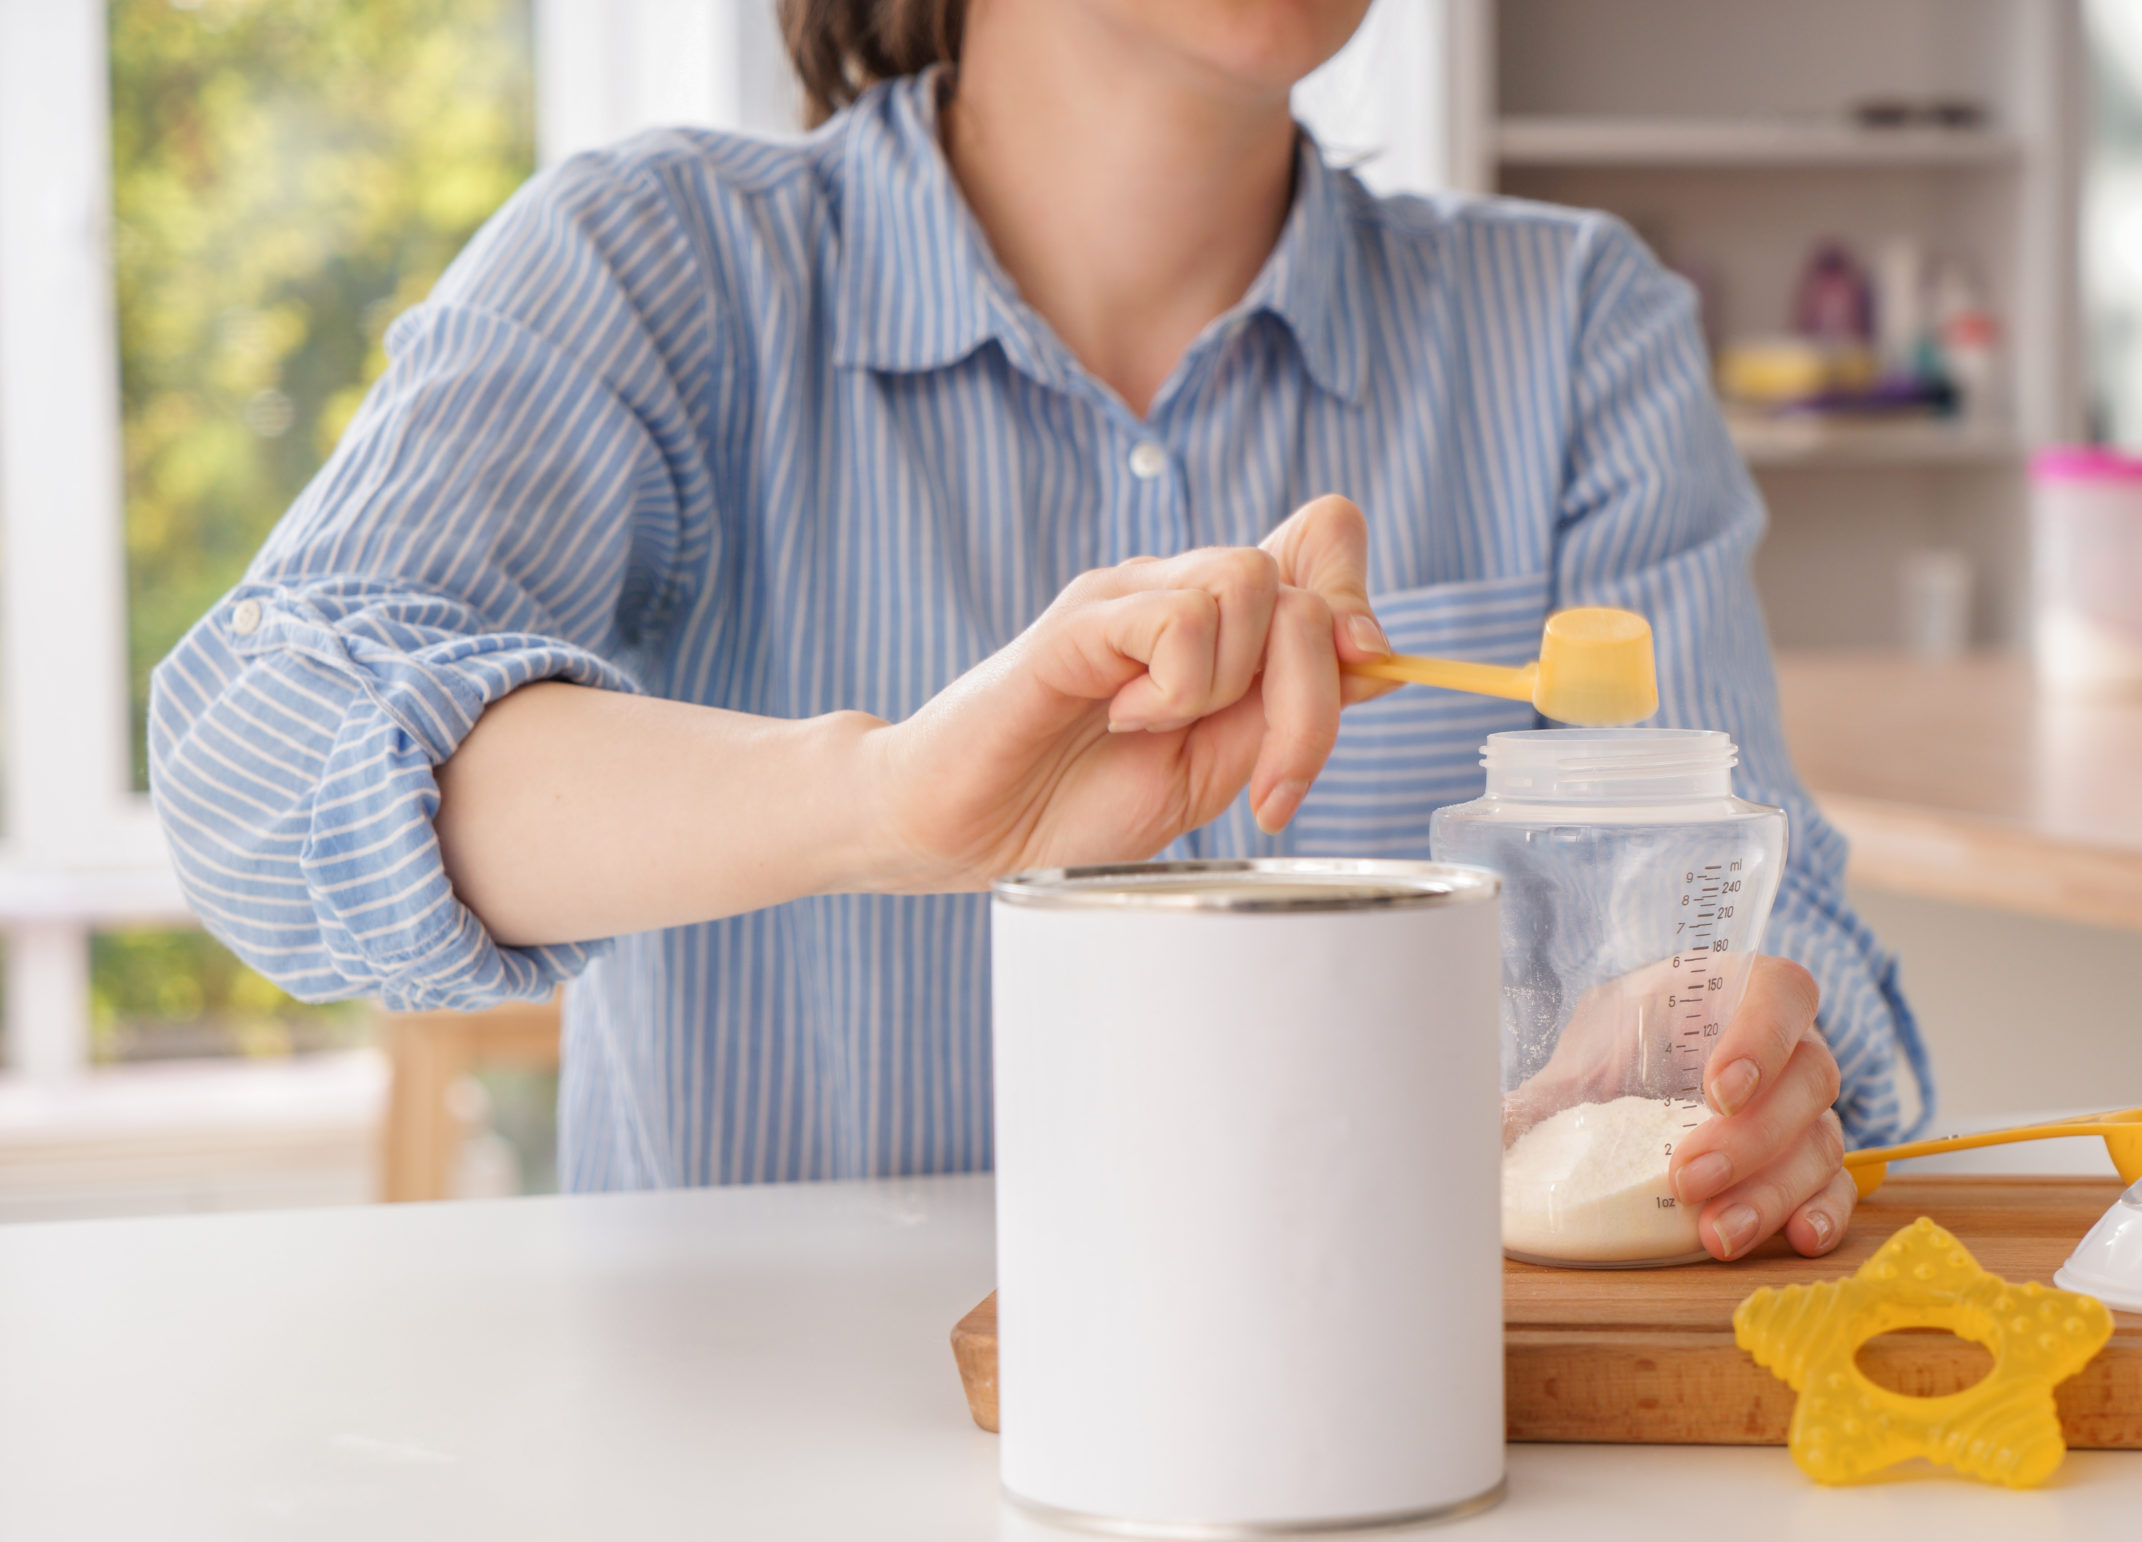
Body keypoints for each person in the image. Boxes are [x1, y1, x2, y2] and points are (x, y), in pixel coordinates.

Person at [149, 0, 1926, 1259]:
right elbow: (255, 766)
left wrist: (1752, 1065)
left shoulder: (1576, 327)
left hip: (1404, 1493)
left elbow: (1803, 954)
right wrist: (887, 802)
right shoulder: (657, 270)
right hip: (759, 1527)